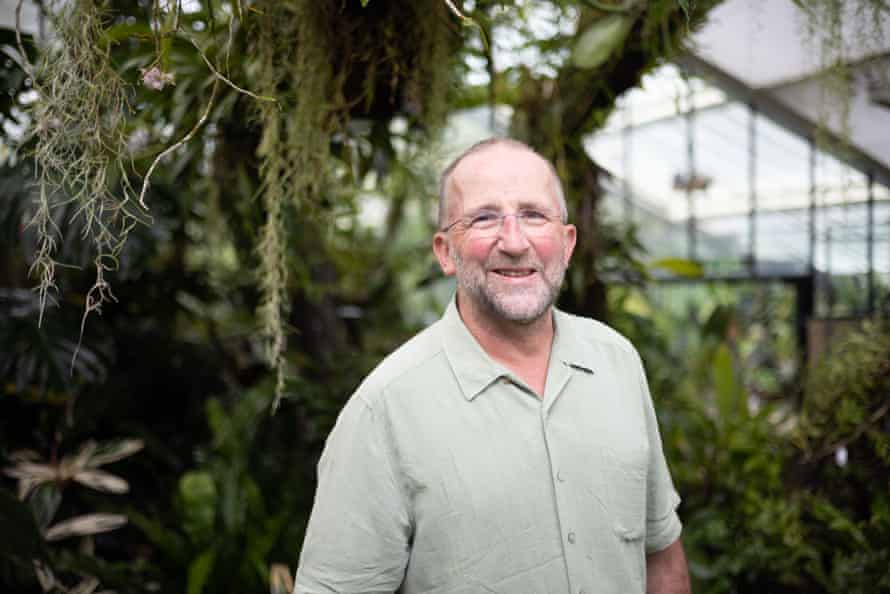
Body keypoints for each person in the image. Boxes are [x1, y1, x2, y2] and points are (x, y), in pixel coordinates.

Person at [294, 138, 690, 594]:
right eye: (484, 218)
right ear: (445, 251)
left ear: (567, 243)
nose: (515, 242)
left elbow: (662, 558)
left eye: (534, 215)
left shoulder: (616, 362)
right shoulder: (384, 410)